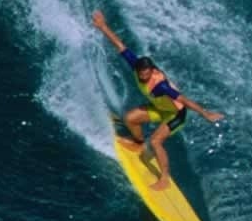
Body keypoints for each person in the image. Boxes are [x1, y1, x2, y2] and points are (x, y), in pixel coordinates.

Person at [90, 10, 224, 190]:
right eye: (141, 74)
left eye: (147, 73)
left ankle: (164, 179)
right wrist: (103, 26)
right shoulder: (137, 66)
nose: (144, 77)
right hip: (159, 108)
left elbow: (184, 100)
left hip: (176, 115)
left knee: (155, 141)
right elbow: (120, 46)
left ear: (152, 71)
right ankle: (138, 144)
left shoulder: (160, 85)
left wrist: (205, 114)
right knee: (130, 119)